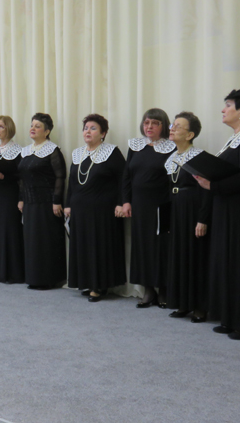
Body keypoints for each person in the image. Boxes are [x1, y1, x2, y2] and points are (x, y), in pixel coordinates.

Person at [194, 90, 240, 340]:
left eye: (228, 105)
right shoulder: (234, 138)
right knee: (225, 262)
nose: (223, 110)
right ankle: (228, 316)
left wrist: (213, 186)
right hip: (226, 208)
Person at [65, 114, 126, 301]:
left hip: (102, 211)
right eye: (85, 128)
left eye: (93, 128)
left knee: (98, 248)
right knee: (83, 247)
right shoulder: (78, 153)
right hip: (80, 211)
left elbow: (124, 180)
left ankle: (98, 286)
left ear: (103, 133)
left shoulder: (111, 152)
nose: (88, 131)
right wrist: (68, 204)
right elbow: (72, 182)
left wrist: (121, 203)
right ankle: (86, 282)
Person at [120, 109, 176, 308]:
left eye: (155, 123)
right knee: (142, 246)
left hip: (161, 205)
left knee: (161, 247)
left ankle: (163, 290)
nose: (149, 126)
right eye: (146, 123)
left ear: (164, 125)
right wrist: (126, 201)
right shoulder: (135, 146)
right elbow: (127, 176)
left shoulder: (171, 147)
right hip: (139, 205)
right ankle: (148, 290)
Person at [165, 112, 211, 323]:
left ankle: (200, 306)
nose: (172, 129)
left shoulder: (199, 157)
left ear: (190, 134)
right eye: (172, 125)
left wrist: (203, 219)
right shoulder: (170, 158)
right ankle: (183, 303)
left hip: (193, 209)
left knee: (196, 256)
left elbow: (206, 191)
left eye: (178, 126)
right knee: (179, 255)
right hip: (176, 209)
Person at [18, 113, 66, 290]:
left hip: (47, 203)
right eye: (32, 125)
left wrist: (57, 201)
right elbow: (22, 178)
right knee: (32, 241)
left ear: (47, 132)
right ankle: (34, 278)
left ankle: (48, 279)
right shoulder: (25, 151)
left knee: (45, 241)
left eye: (37, 126)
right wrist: (21, 199)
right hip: (29, 203)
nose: (32, 128)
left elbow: (60, 176)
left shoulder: (53, 150)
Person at [0, 116, 24, 284]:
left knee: (10, 230)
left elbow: (21, 176)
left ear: (9, 128)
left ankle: (13, 273)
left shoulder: (18, 150)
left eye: (1, 126)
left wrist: (4, 176)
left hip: (10, 193)